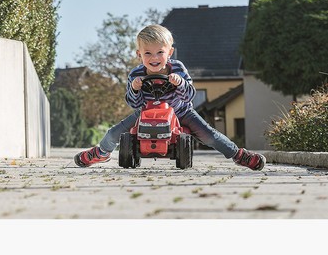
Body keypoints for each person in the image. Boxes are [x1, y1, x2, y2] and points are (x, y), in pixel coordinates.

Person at [74, 24, 266, 171]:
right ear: (139, 54)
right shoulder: (136, 74)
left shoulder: (178, 68)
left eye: (160, 52)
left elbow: (190, 94)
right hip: (145, 112)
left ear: (170, 52)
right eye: (147, 53)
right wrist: (134, 88)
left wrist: (179, 83)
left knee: (209, 135)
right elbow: (133, 103)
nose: (154, 57)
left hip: (181, 112)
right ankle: (102, 153)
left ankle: (238, 155)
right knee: (114, 132)